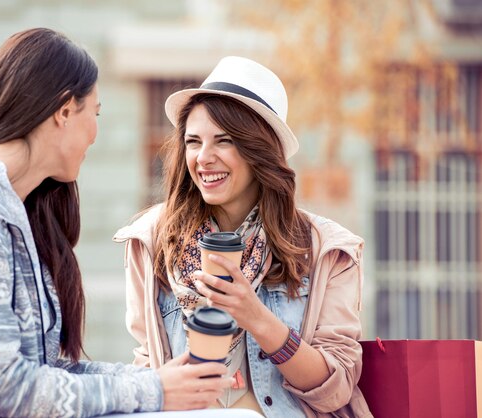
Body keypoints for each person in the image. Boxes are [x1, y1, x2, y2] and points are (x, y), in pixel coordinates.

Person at [0, 28, 239, 418]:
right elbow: (3, 391)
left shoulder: (10, 212)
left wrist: (162, 380)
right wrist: (153, 390)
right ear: (64, 111)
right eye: (94, 113)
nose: (95, 134)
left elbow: (40, 374)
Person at [114, 56, 373, 417]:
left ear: (259, 151)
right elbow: (150, 359)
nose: (204, 158)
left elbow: (336, 389)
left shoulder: (324, 249)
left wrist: (256, 317)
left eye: (224, 141)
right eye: (193, 141)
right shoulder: (153, 240)